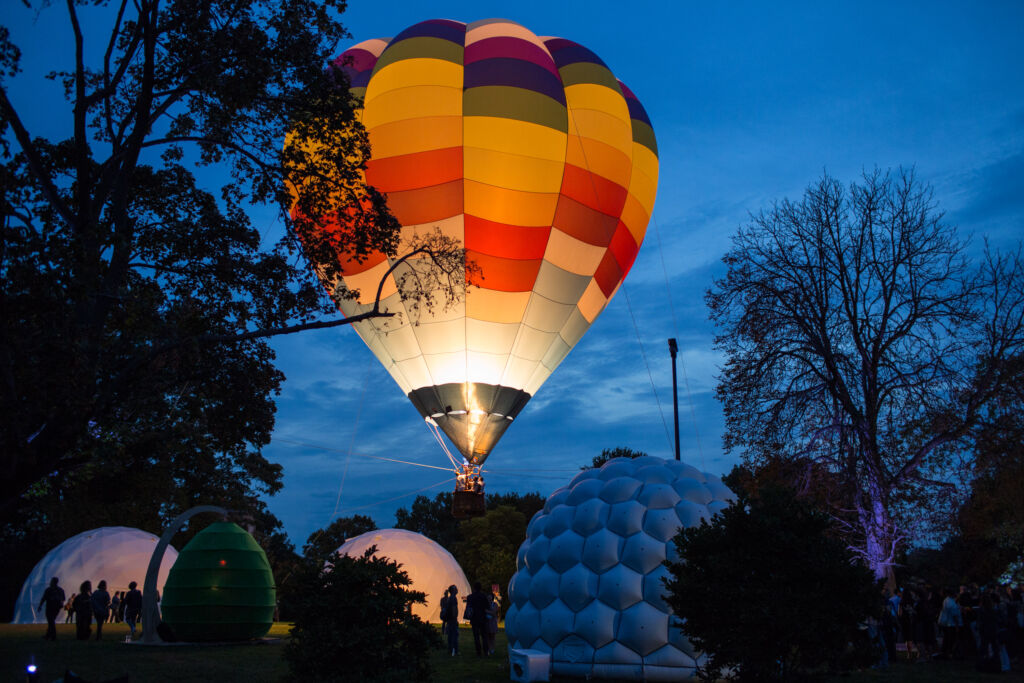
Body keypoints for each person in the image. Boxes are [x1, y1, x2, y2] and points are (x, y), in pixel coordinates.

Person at [466, 582, 490, 656]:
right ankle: (486, 651)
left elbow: (468, 608)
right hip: (482, 618)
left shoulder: (470, 597)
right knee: (484, 636)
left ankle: (478, 652)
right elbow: (487, 606)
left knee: (476, 636)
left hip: (474, 618)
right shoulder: (483, 596)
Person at [443, 584, 460, 656]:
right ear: (453, 590)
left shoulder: (449, 598)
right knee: (454, 635)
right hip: (453, 619)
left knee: (450, 635)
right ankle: (454, 650)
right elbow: (454, 608)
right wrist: (455, 617)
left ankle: (450, 649)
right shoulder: (453, 598)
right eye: (455, 588)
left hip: (449, 619)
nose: (457, 589)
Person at [485, 591, 500, 656]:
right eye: (488, 598)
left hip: (492, 622)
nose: (489, 599)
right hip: (487, 622)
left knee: (492, 636)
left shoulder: (495, 604)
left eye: (490, 598)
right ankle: (488, 649)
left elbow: (493, 612)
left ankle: (492, 649)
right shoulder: (485, 604)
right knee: (487, 636)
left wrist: (487, 611)